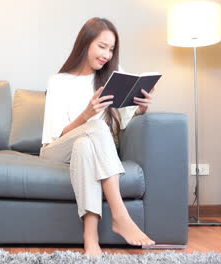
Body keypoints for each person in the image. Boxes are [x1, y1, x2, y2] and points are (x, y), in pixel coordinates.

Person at [39, 17, 157, 257]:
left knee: (85, 145)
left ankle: (90, 238)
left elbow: (123, 122)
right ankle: (120, 215)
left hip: (89, 147)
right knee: (95, 128)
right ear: (86, 43)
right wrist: (87, 114)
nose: (107, 55)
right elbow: (56, 135)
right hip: (56, 149)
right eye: (102, 46)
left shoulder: (113, 76)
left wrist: (141, 108)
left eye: (111, 49)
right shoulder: (59, 82)